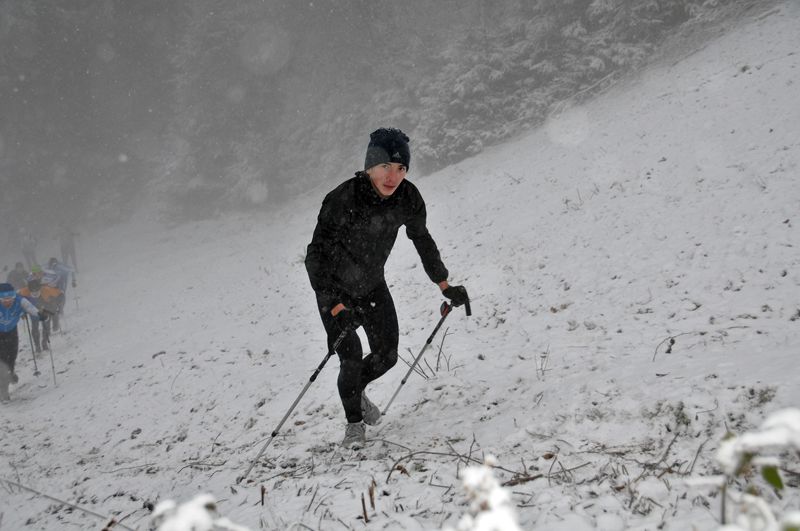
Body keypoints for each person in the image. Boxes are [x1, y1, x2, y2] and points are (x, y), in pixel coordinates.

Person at [305, 127, 470, 448]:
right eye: (385, 167)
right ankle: (354, 425)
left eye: (401, 168)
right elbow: (316, 257)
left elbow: (421, 239)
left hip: (371, 286)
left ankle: (355, 390)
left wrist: (444, 284)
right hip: (334, 291)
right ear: (369, 167)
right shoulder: (342, 198)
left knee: (387, 356)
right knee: (350, 356)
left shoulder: (408, 198)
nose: (392, 176)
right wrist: (337, 307)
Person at [0, 282, 47, 402]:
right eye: (3, 299)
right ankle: (4, 392)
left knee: (12, 357)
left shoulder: (20, 300)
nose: (7, 302)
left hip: (11, 332)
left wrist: (39, 315)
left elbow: (31, 308)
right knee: (2, 361)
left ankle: (11, 372)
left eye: (10, 299)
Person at [18, 279, 62, 347]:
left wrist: (57, 304)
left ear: (40, 288)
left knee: (46, 326)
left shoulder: (47, 290)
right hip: (32, 309)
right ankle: (37, 346)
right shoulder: (23, 292)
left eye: (37, 291)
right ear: (29, 290)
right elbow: (17, 302)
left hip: (45, 307)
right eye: (33, 291)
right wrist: (22, 312)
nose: (35, 293)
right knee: (35, 327)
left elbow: (60, 294)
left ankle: (44, 343)